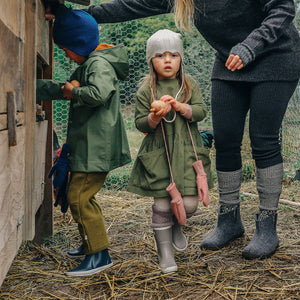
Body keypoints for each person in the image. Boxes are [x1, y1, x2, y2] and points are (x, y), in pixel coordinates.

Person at [45, 1, 300, 259]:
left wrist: (250, 45)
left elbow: (283, 8)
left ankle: (267, 226)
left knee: (263, 141)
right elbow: (133, 6)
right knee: (225, 140)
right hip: (229, 63)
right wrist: (74, 16)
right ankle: (229, 220)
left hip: (274, 57)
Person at [37, 8, 131, 276]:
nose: (65, 54)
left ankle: (99, 255)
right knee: (81, 196)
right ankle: (91, 243)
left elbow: (98, 94)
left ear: (78, 44)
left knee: (79, 197)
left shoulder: (98, 65)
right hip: (89, 147)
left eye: (66, 49)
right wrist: (36, 87)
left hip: (96, 149)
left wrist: (74, 91)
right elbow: (67, 89)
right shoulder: (89, 64)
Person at [127, 29, 213, 273]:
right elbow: (140, 124)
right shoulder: (146, 90)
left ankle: (178, 224)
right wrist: (153, 117)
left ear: (180, 59)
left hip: (187, 149)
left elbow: (200, 112)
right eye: (160, 55)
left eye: (173, 55)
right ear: (151, 60)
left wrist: (180, 106)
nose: (167, 60)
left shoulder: (188, 85)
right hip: (159, 154)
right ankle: (165, 254)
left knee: (189, 204)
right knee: (163, 204)